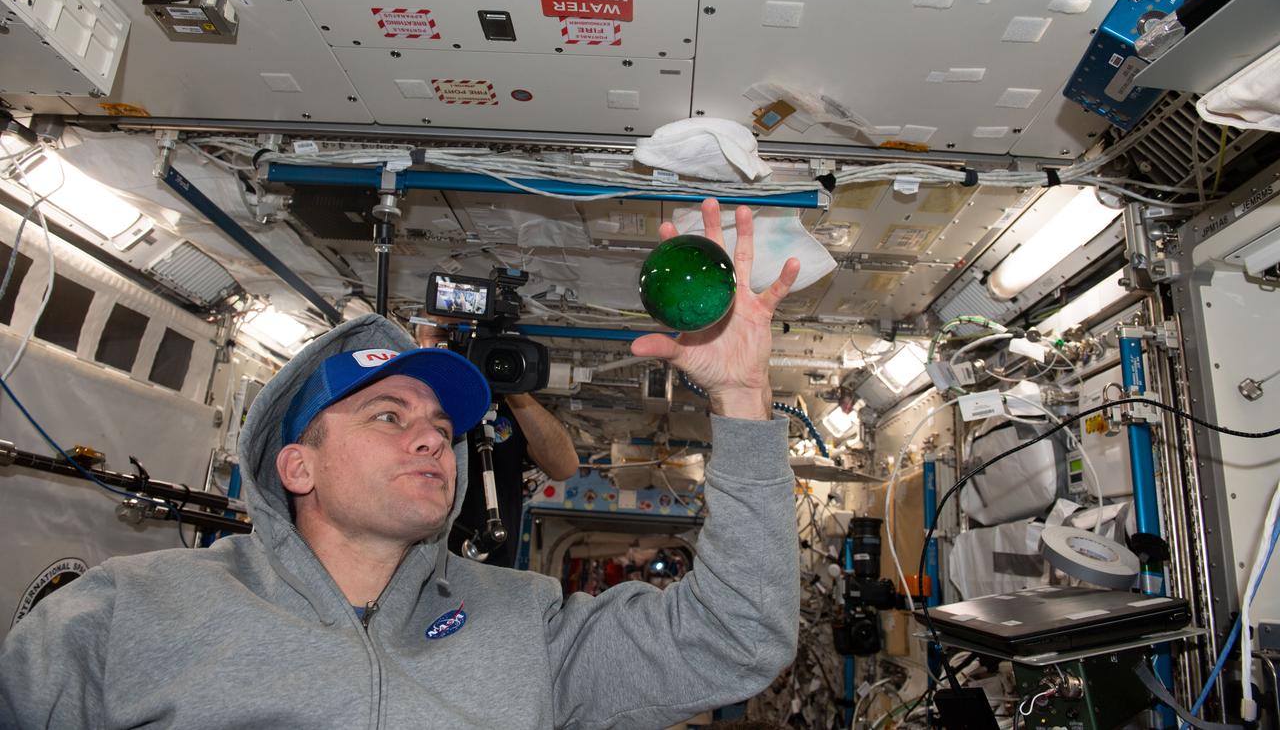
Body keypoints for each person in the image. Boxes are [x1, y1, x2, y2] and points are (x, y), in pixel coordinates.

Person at [0, 198, 802, 729]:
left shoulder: (528, 625)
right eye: (388, 415)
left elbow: (735, 638)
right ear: (297, 466)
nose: (431, 437)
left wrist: (741, 394)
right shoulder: (126, 615)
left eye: (441, 423)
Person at [414, 313, 578, 567]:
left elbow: (564, 466)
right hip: (415, 560)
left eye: (465, 337)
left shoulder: (505, 406)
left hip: (487, 567)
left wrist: (512, 387)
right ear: (418, 344)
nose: (456, 346)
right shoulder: (407, 400)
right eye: (443, 336)